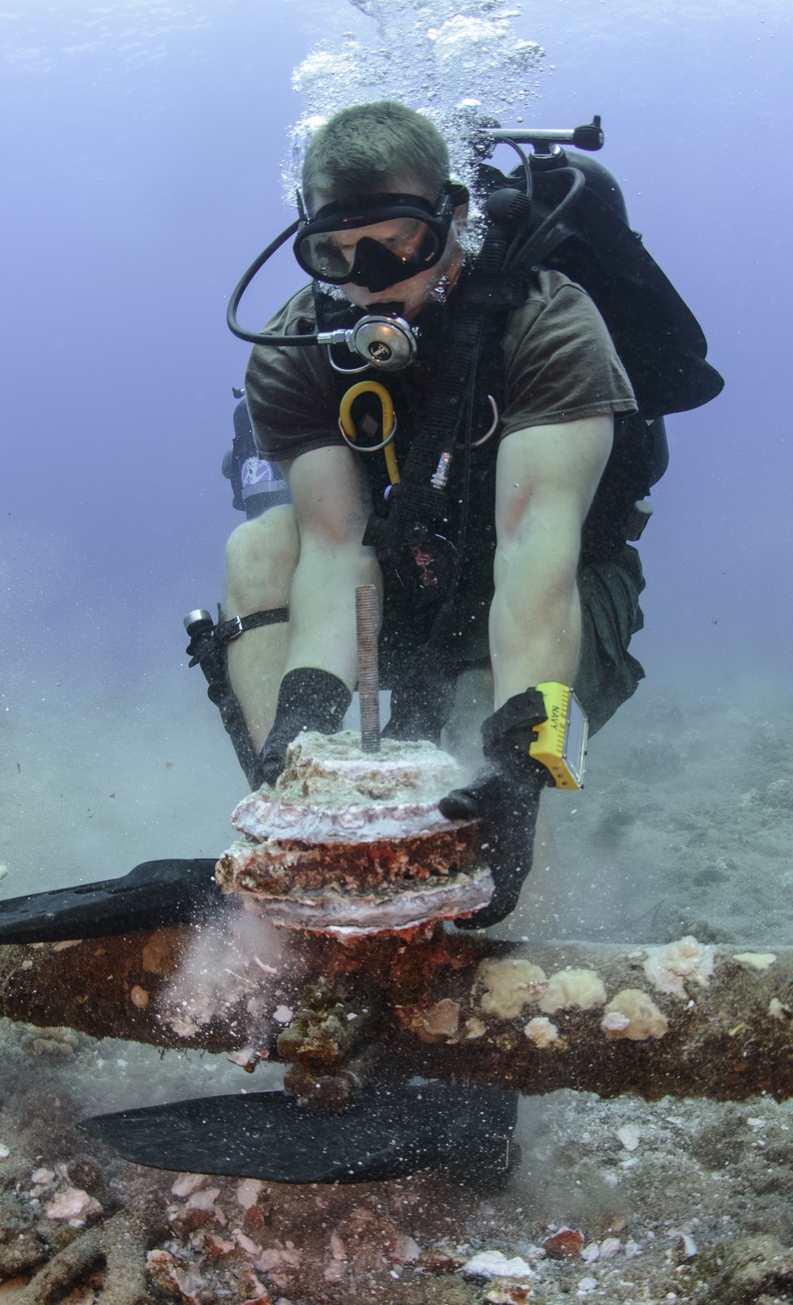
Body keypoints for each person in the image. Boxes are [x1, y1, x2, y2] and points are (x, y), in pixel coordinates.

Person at [211, 100, 695, 927]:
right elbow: (333, 551)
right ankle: (295, 817)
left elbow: (534, 551)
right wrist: (305, 733)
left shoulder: (548, 324)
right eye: (335, 250)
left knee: (477, 748)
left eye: (399, 243)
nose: (368, 278)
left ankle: (505, 903)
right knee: (259, 546)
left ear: (453, 221)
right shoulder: (294, 349)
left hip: (558, 585)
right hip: (407, 580)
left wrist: (514, 764)